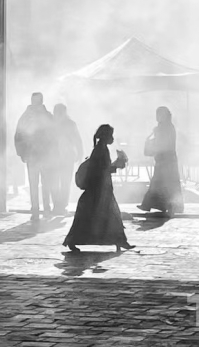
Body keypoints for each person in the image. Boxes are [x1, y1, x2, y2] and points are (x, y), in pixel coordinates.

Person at [63, 124, 135, 253]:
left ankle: (119, 241)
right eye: (111, 135)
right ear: (106, 136)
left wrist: (115, 165)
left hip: (99, 190)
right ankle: (119, 241)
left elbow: (102, 169)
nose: (112, 138)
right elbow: (101, 170)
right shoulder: (101, 150)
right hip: (99, 190)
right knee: (109, 216)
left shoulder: (100, 149)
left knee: (99, 217)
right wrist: (116, 165)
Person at [14, 93, 54, 221]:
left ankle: (44, 209)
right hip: (33, 155)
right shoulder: (27, 117)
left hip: (44, 155)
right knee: (36, 184)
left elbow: (55, 136)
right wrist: (21, 152)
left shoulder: (45, 116)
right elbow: (19, 135)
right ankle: (37, 210)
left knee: (44, 184)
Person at [138, 106, 184, 217]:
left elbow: (163, 143)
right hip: (165, 159)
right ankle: (160, 205)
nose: (157, 117)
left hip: (166, 160)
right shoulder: (165, 127)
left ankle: (156, 205)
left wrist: (155, 135)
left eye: (159, 115)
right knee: (160, 183)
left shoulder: (166, 127)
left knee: (162, 183)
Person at [50, 103, 83, 215]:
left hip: (59, 157)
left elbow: (77, 140)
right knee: (63, 182)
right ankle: (61, 206)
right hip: (64, 157)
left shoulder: (52, 124)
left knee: (58, 182)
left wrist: (79, 153)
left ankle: (58, 205)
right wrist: (79, 153)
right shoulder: (69, 124)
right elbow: (78, 140)